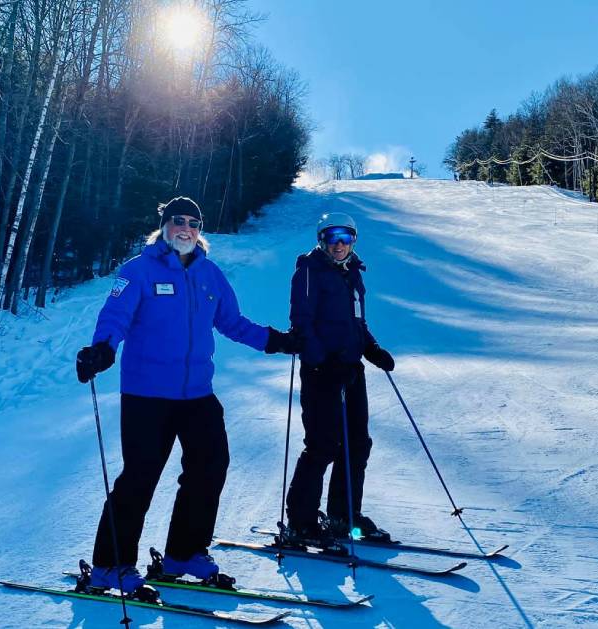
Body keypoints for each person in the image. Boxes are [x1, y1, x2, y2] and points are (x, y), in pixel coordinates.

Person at [74, 196, 300, 596]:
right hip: (147, 395)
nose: (186, 229)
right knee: (139, 478)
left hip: (197, 394)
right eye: (178, 221)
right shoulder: (138, 271)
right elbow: (115, 318)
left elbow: (232, 323)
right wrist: (102, 348)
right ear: (163, 226)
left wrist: (276, 341)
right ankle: (110, 565)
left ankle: (184, 553)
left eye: (193, 223)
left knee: (210, 467)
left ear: (199, 230)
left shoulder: (210, 275)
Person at [282, 212, 396, 550]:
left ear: (354, 241)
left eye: (346, 237)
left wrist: (371, 348)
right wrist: (320, 361)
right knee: (322, 446)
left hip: (350, 369)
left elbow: (356, 321)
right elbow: (301, 321)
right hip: (321, 371)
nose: (339, 244)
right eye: (333, 237)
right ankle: (301, 522)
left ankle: (343, 515)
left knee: (358, 443)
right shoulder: (309, 269)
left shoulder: (353, 274)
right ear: (322, 239)